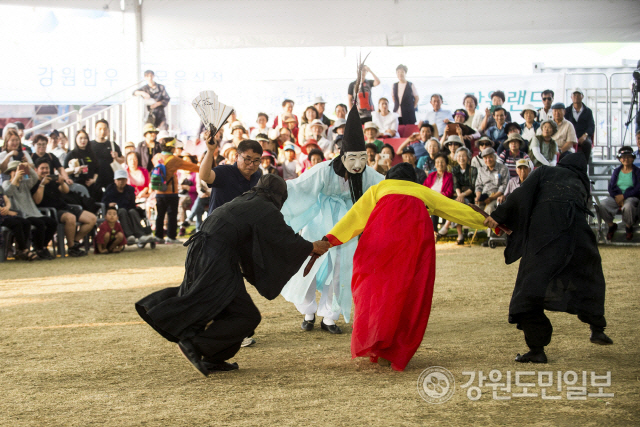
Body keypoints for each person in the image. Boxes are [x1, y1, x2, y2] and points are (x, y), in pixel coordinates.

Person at [136, 174, 331, 375]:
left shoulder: (245, 200)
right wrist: (311, 246)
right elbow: (284, 239)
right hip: (217, 257)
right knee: (246, 315)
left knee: (224, 307)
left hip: (201, 251)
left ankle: (213, 359)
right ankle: (197, 346)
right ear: (279, 195)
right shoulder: (265, 208)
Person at [324, 163, 487, 371]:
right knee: (409, 294)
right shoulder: (421, 191)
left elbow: (353, 218)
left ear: (389, 177)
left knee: (375, 292)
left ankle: (377, 341)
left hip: (381, 242)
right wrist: (489, 222)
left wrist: (329, 240)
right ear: (413, 179)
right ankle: (394, 349)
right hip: (414, 244)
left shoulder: (379, 189)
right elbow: (455, 209)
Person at [484, 154, 613, 364]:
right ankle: (597, 327)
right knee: (589, 276)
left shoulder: (546, 171)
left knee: (528, 290)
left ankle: (537, 349)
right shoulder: (581, 182)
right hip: (578, 235)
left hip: (546, 234)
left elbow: (522, 194)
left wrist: (499, 216)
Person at [280, 105, 384, 333]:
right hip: (319, 221)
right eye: (352, 159)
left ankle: (330, 316)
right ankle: (308, 311)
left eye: (362, 159)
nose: (358, 165)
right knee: (310, 265)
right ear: (342, 155)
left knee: (341, 269)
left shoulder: (367, 174)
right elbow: (299, 187)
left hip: (347, 226)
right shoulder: (323, 170)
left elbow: (386, 187)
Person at [32, 158, 97, 257]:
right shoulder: (34, 183)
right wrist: (42, 184)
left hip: (64, 207)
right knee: (70, 218)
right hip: (49, 211)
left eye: (47, 168)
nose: (45, 170)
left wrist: (62, 182)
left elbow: (65, 191)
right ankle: (71, 248)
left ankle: (74, 242)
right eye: (42, 168)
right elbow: (37, 201)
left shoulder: (52, 180)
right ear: (36, 170)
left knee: (92, 219)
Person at [2, 160, 57, 260]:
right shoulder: (6, 183)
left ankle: (43, 246)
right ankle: (38, 249)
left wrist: (29, 168)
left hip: (33, 212)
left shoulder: (25, 183)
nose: (17, 172)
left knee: (52, 223)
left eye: (19, 170)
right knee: (40, 224)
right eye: (14, 170)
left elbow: (35, 178)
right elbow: (7, 193)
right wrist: (16, 179)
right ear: (10, 172)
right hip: (20, 214)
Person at [151, 136, 200, 243]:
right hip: (171, 193)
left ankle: (158, 237)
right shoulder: (174, 160)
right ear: (172, 148)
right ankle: (171, 237)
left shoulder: (156, 157)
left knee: (160, 215)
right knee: (172, 215)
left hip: (159, 191)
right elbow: (193, 167)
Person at [199, 134, 263, 217]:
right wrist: (210, 151)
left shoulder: (257, 176)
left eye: (256, 160)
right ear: (236, 156)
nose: (251, 164)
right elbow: (205, 176)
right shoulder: (224, 172)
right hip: (218, 226)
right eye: (248, 159)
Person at [102, 169, 155, 244]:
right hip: (116, 211)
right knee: (122, 211)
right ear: (115, 180)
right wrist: (109, 204)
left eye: (123, 179)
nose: (121, 182)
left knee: (133, 211)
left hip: (129, 209)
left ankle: (141, 235)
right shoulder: (110, 189)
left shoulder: (130, 189)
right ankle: (129, 235)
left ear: (126, 180)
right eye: (119, 179)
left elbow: (132, 204)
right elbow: (104, 201)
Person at [599, 146, 640, 241]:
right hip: (616, 197)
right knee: (603, 204)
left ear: (633, 158)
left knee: (628, 206)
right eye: (623, 157)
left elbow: (638, 188)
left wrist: (624, 196)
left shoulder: (637, 172)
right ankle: (611, 225)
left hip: (631, 197)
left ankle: (628, 227)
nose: (626, 159)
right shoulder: (616, 171)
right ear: (620, 159)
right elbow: (611, 187)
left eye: (629, 157)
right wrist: (617, 197)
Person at [0, 184, 38, 261]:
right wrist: (5, 211)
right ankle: (24, 250)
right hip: (2, 216)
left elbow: (7, 200)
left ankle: (20, 249)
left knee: (26, 222)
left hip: (4, 214)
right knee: (16, 223)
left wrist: (7, 208)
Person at [90, 119, 124, 197]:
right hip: (94, 180)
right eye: (100, 129)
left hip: (110, 179)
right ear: (95, 130)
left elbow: (123, 159)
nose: (102, 131)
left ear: (108, 130)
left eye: (105, 129)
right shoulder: (90, 145)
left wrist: (117, 158)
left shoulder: (112, 144)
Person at [64, 130, 100, 200]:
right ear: (76, 139)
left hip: (91, 186)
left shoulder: (91, 154)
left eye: (85, 138)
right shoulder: (71, 154)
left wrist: (94, 180)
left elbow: (97, 169)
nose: (83, 140)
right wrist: (74, 170)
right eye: (80, 138)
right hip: (76, 186)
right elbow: (64, 171)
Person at [452, 147, 478, 244]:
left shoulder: (473, 170)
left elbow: (472, 187)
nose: (461, 158)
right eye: (459, 156)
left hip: (470, 196)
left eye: (464, 156)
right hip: (458, 196)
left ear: (468, 157)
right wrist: (459, 196)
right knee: (456, 205)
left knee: (458, 205)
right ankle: (460, 234)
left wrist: (462, 195)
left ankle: (456, 233)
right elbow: (456, 185)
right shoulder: (455, 169)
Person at [424, 153, 453, 237]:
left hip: (442, 200)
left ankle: (434, 232)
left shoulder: (449, 176)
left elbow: (449, 192)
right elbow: (424, 188)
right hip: (429, 199)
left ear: (446, 164)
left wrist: (439, 196)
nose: (440, 164)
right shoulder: (431, 175)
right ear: (435, 164)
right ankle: (432, 232)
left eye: (442, 162)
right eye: (437, 162)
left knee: (433, 207)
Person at [474, 147, 509, 216]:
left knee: (489, 209)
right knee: (476, 208)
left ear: (495, 157)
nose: (488, 160)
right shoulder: (481, 170)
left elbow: (504, 186)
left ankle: (488, 227)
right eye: (485, 158)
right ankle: (479, 227)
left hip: (496, 196)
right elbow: (478, 185)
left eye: (490, 157)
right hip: (484, 196)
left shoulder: (503, 168)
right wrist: (478, 197)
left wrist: (492, 198)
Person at [564, 88, 595, 163]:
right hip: (569, 137)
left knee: (587, 144)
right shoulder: (567, 111)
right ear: (571, 97)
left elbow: (591, 126)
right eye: (574, 95)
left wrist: (585, 135)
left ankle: (585, 165)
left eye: (578, 95)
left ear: (582, 96)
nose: (576, 97)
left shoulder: (588, 111)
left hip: (583, 136)